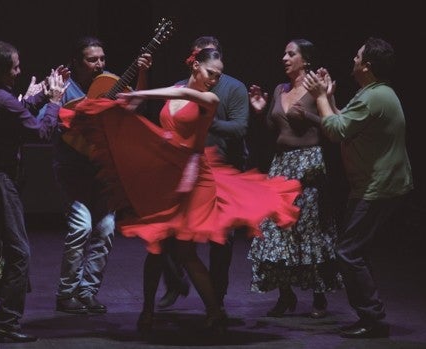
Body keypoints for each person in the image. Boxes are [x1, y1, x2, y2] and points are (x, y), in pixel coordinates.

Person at [63, 47, 302, 332]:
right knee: (157, 247)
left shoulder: (208, 98)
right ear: (195, 66)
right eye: (210, 73)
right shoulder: (173, 88)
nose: (214, 79)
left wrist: (141, 94)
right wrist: (135, 89)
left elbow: (182, 95)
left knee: (184, 250)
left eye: (218, 75)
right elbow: (149, 106)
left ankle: (211, 311)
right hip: (168, 174)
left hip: (194, 177)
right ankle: (152, 311)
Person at [303, 37, 413, 338]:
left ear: (366, 65)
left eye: (357, 56)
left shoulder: (374, 97)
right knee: (355, 252)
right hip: (371, 185)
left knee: (348, 253)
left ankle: (373, 319)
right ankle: (371, 315)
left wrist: (320, 97)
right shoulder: (374, 93)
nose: (352, 60)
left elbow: (336, 131)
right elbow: (345, 122)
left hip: (378, 187)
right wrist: (328, 98)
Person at [0, 40, 67, 342]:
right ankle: (8, 322)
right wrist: (54, 102)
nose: (20, 71)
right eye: (15, 66)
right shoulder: (3, 100)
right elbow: (41, 132)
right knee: (19, 253)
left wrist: (34, 99)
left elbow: (6, 119)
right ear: (1, 70)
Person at [53, 36, 153, 314]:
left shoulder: (110, 83)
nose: (99, 64)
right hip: (73, 170)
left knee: (106, 230)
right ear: (77, 62)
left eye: (102, 58)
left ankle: (87, 292)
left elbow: (137, 105)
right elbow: (60, 124)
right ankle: (66, 294)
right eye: (91, 59)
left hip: (103, 170)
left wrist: (143, 72)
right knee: (81, 228)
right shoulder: (64, 87)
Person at [247, 39, 343, 319]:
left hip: (308, 164)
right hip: (281, 166)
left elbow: (334, 129)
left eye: (292, 54)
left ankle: (318, 297)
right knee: (276, 231)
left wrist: (312, 113)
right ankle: (285, 295)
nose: (285, 58)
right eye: (284, 53)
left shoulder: (317, 86)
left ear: (306, 60)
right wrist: (260, 111)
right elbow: (274, 128)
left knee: (309, 230)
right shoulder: (280, 89)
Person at [155, 36, 251, 311]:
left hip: (221, 168)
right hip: (184, 169)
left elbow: (240, 128)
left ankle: (216, 298)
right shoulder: (178, 87)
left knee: (220, 240)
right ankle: (175, 282)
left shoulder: (232, 88)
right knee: (169, 234)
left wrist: (206, 123)